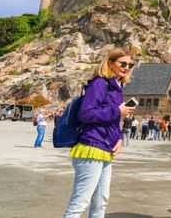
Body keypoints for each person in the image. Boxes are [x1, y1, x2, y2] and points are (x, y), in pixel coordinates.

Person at [63, 47, 136, 218]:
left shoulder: (117, 87)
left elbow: (112, 121)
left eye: (130, 65)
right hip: (91, 146)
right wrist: (118, 111)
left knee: (101, 201)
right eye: (123, 63)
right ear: (110, 63)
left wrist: (118, 138)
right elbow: (85, 114)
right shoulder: (99, 83)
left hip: (106, 148)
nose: (126, 67)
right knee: (80, 202)